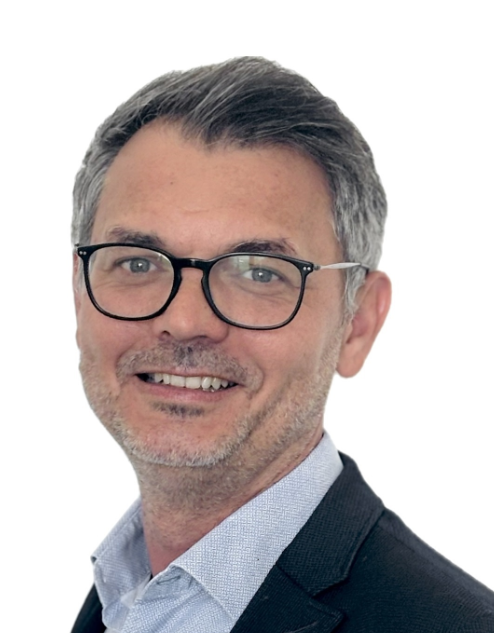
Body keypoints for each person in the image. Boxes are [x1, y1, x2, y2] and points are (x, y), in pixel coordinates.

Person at [70, 57, 494, 633]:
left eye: (259, 272)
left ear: (357, 323)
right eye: (139, 263)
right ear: (79, 294)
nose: (185, 319)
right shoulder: (122, 597)